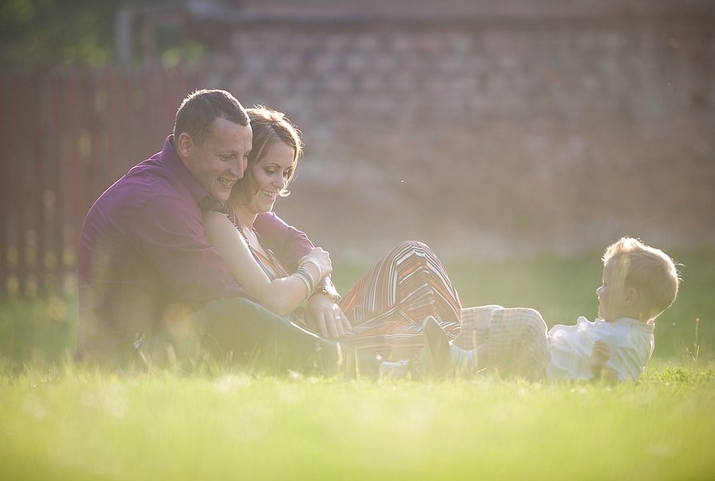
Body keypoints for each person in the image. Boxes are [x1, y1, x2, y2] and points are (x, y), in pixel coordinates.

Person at [76, 89, 379, 377]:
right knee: (234, 314)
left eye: (245, 156)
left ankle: (376, 357)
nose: (239, 170)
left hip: (164, 337)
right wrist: (303, 285)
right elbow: (234, 293)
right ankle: (370, 369)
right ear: (186, 145)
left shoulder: (205, 187)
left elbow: (291, 240)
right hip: (125, 358)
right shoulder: (159, 201)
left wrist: (320, 292)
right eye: (227, 157)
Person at [202, 105, 464, 364]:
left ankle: (453, 350)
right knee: (408, 330)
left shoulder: (258, 228)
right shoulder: (219, 223)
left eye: (286, 173)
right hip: (310, 345)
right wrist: (314, 269)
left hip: (326, 328)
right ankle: (457, 352)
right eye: (270, 170)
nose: (280, 183)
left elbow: (296, 244)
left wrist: (321, 295)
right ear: (243, 165)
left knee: (413, 254)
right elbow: (274, 300)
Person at [422, 236, 681, 382]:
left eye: (606, 285)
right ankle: (429, 338)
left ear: (628, 297)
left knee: (530, 322)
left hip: (543, 370)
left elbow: (623, 384)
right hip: (541, 359)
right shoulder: (621, 328)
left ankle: (460, 360)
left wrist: (601, 369)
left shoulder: (631, 341)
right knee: (497, 316)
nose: (598, 291)